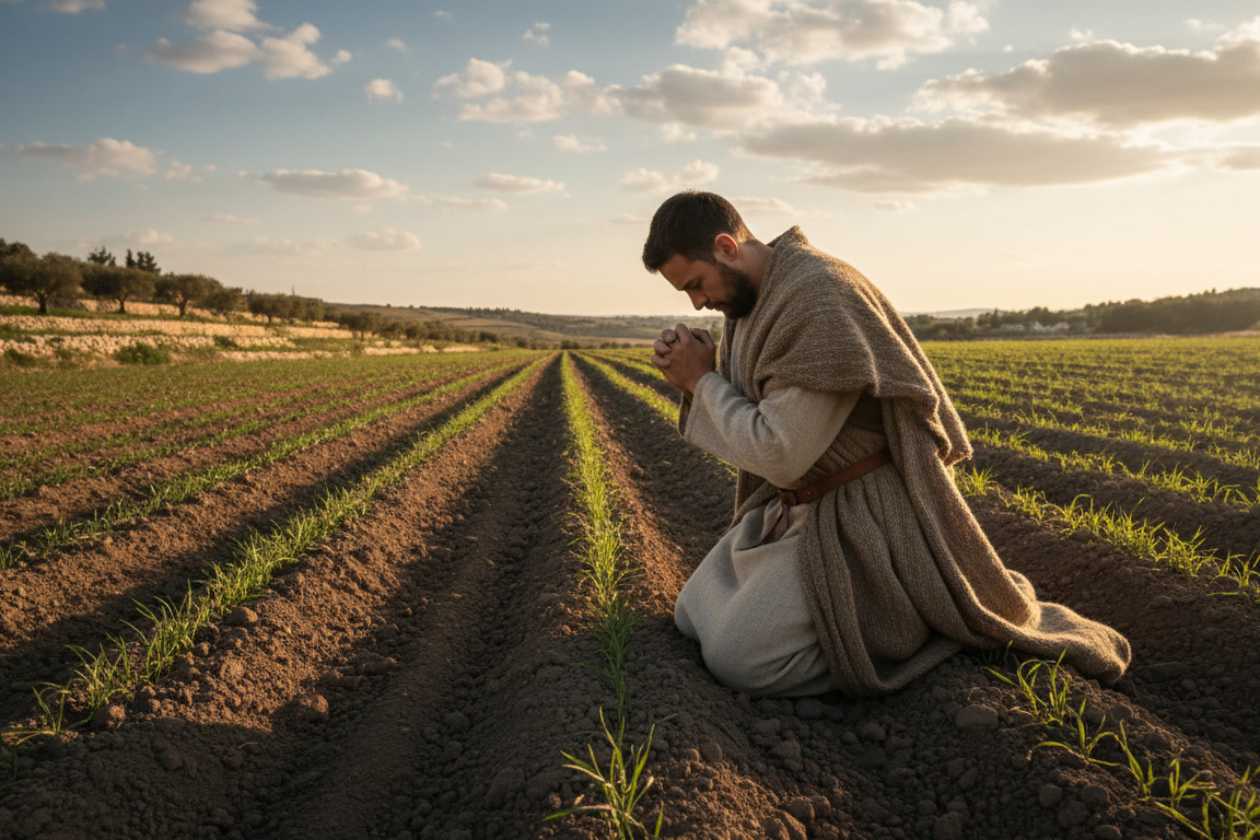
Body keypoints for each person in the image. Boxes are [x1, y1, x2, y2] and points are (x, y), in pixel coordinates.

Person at [643, 191, 1131, 698]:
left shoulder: (817, 299)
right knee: (691, 614)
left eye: (696, 285)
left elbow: (781, 455)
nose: (698, 303)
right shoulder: (755, 301)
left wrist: (702, 383)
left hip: (861, 519)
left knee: (739, 659)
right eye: (687, 295)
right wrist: (706, 363)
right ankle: (883, 606)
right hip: (796, 510)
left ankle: (913, 614)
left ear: (726, 246)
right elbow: (767, 399)